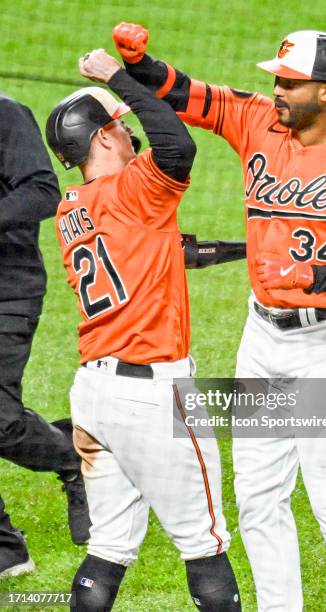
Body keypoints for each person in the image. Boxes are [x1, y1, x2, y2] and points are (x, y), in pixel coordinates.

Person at [112, 24, 326, 612]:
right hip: (261, 342)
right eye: (276, 78)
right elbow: (184, 93)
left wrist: (312, 278)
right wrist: (140, 63)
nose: (277, 90)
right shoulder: (258, 122)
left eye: (290, 83)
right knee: (259, 495)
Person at [46, 48, 241, 612]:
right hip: (153, 396)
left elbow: (167, 250)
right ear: (103, 140)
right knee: (204, 544)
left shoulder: (73, 209)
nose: (131, 135)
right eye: (121, 128)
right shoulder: (135, 189)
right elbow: (178, 145)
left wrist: (248, 252)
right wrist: (117, 78)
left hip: (94, 397)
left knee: (109, 548)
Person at [0, 91, 90, 578]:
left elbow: (41, 190)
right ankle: (6, 552)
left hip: (6, 292)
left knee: (0, 420)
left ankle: (75, 456)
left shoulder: (6, 113)